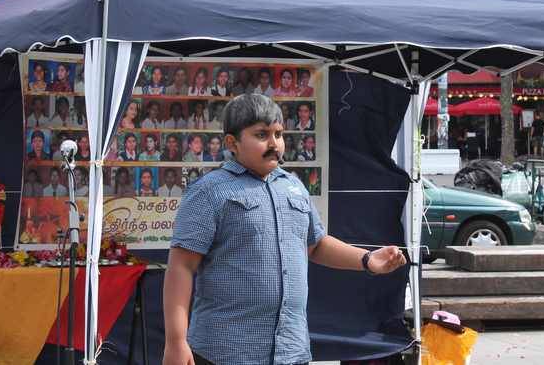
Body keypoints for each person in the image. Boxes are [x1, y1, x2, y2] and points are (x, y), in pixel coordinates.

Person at [163, 94, 406, 365]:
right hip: (225, 352)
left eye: (278, 134)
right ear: (232, 143)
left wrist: (368, 259)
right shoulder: (209, 192)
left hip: (291, 351)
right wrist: (176, 341)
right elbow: (181, 267)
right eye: (261, 134)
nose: (274, 144)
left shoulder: (293, 186)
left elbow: (316, 244)